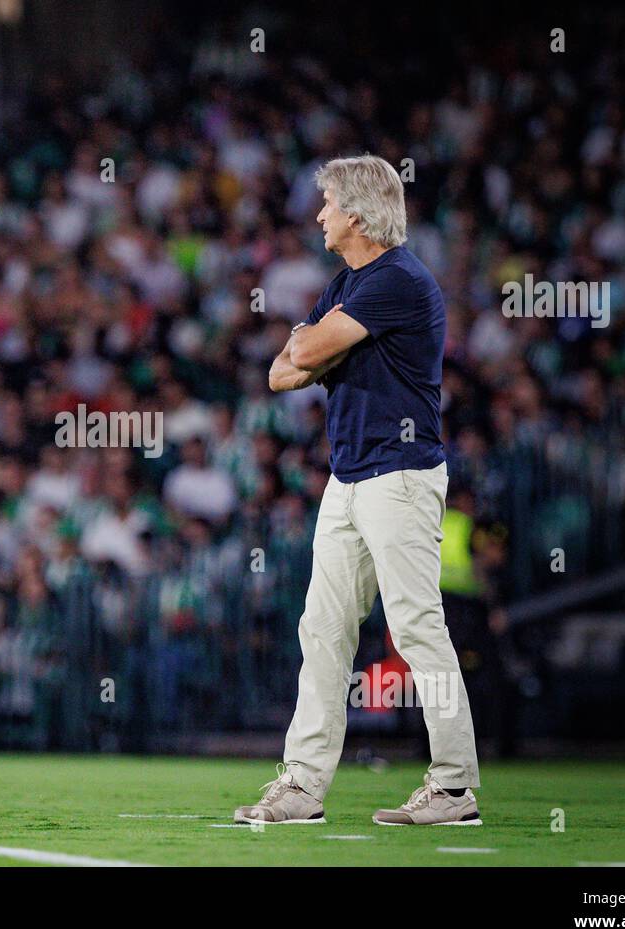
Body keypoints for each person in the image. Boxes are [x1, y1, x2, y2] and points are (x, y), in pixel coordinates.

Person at [234, 155, 482, 826]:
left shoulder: (396, 279)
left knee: (417, 627)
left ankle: (456, 788)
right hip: (350, 478)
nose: (318, 215)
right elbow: (279, 375)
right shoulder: (351, 281)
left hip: (399, 474)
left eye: (327, 204)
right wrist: (311, 344)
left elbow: (303, 357)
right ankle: (302, 787)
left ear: (358, 212)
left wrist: (313, 344)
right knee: (324, 630)